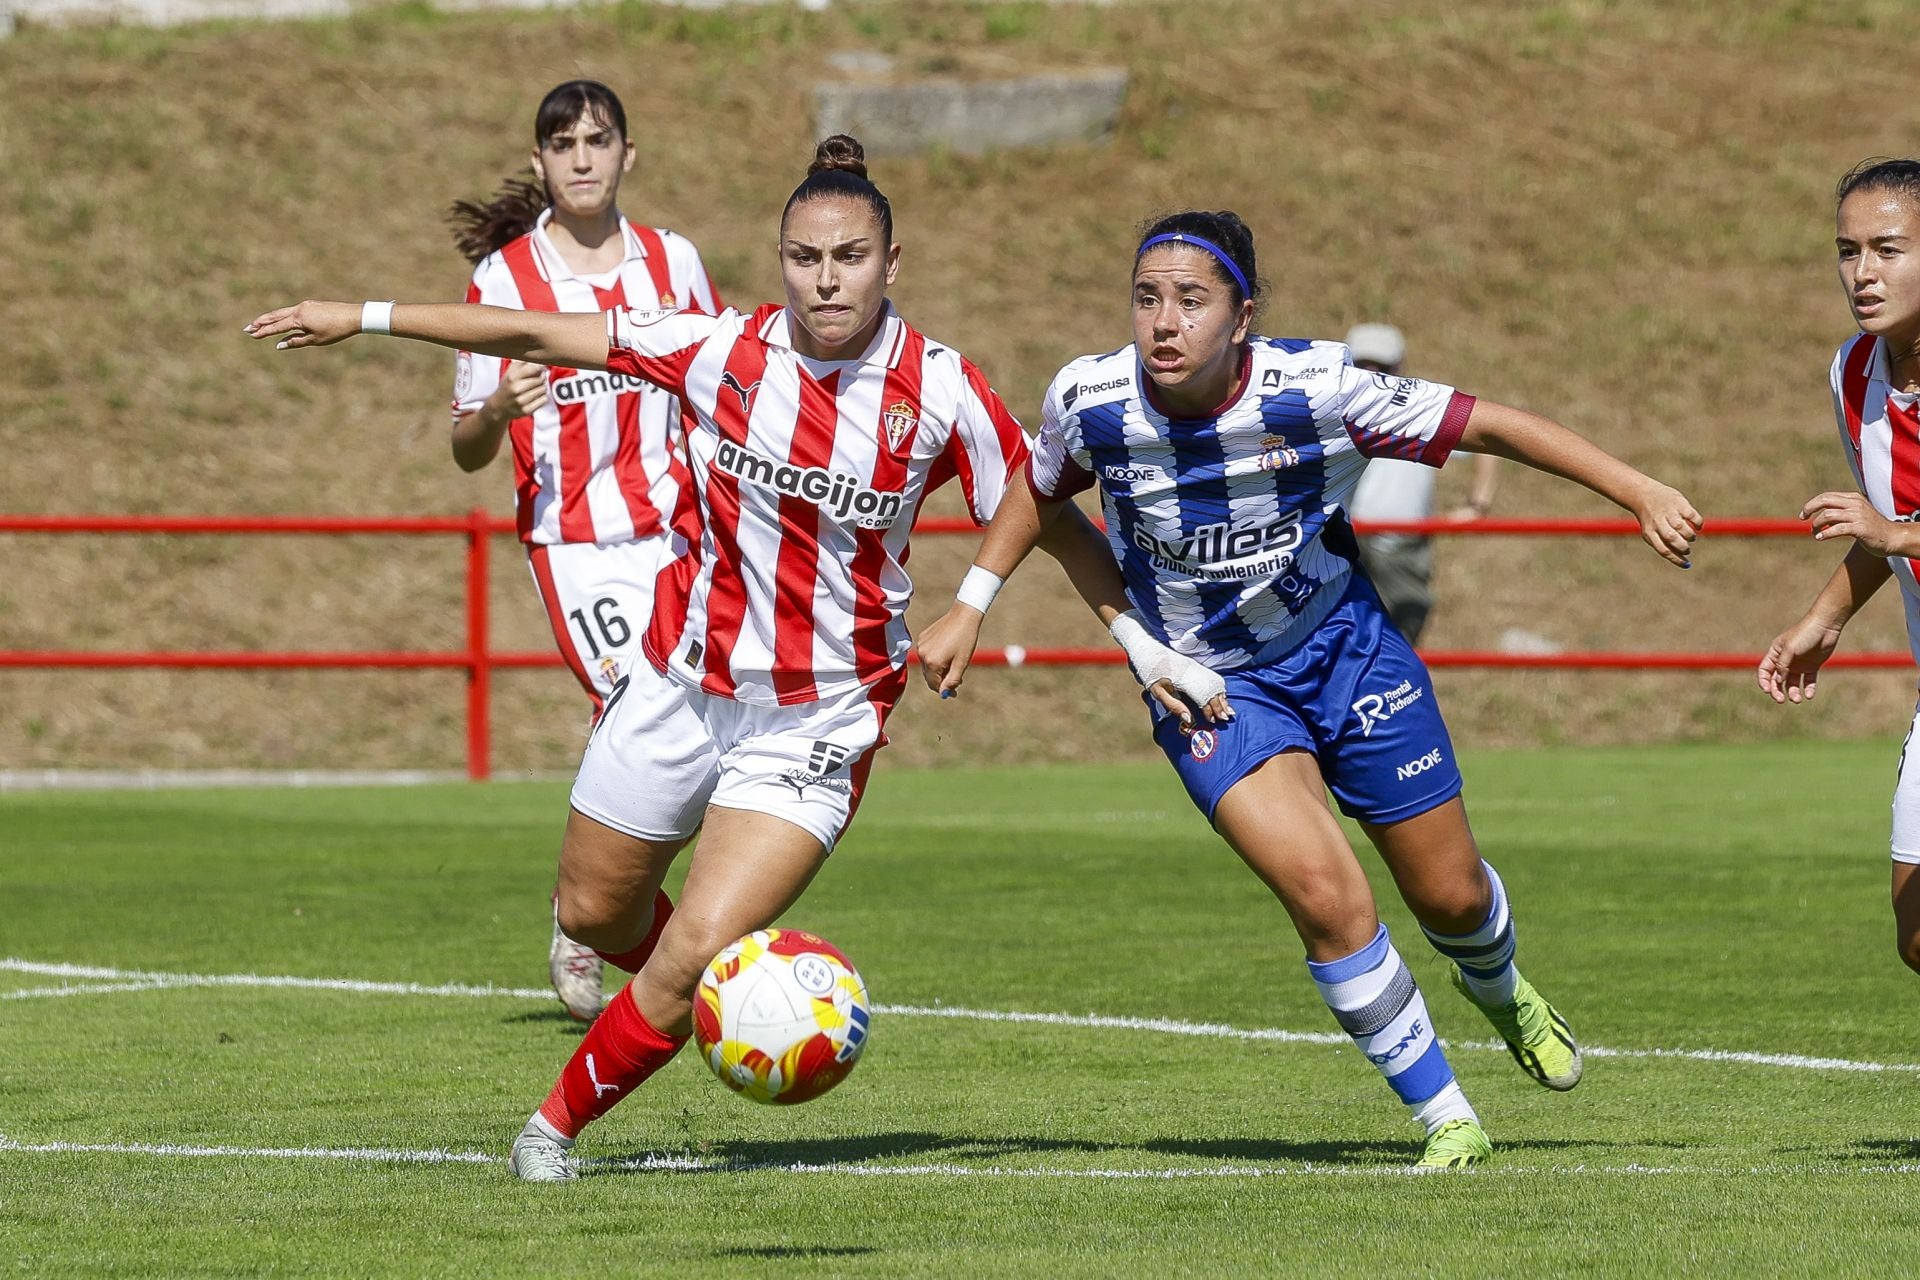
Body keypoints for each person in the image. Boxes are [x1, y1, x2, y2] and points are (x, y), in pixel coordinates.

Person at [246, 136, 1200, 1182]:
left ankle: (549, 1133)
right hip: (677, 686)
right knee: (593, 910)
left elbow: (1047, 514)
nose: (826, 277)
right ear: (780, 259)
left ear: (892, 263)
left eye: (849, 256)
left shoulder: (939, 389)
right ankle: (701, 1004)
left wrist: (1124, 638)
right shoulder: (714, 347)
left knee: (695, 942)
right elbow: (529, 327)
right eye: (804, 257)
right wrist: (364, 315)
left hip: (819, 718)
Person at [916, 210, 1702, 1168]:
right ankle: (1448, 1117)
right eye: (1147, 298)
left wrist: (1640, 490)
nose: (1164, 322)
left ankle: (1500, 988)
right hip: (1209, 686)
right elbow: (1041, 491)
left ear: (1241, 316)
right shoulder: (1092, 400)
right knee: (1325, 894)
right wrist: (971, 602)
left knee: (1449, 897)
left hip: (1344, 653)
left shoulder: (1320, 390)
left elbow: (1488, 425)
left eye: (1192, 301)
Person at [446, 81, 724, 1025]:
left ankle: (614, 898)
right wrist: (494, 408)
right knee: (630, 698)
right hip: (575, 542)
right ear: (540, 163)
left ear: (627, 154)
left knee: (700, 730)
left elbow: (717, 389)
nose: (580, 158)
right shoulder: (503, 282)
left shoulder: (674, 262)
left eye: (597, 140)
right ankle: (588, 915)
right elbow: (466, 446)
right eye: (562, 143)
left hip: (678, 532)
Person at [1759, 156, 1920, 981]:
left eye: (1888, 249)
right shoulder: (1854, 372)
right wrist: (1823, 619)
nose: (1863, 273)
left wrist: (1897, 535)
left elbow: (1895, 530)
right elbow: (1882, 527)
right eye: (1848, 251)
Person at [1345, 323, 1502, 643]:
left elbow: (1489, 440)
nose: (1373, 375)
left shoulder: (1418, 409)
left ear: (1399, 365)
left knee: (1404, 628)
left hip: (1402, 545)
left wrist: (1478, 505)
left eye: (1382, 367)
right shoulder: (1332, 407)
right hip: (1347, 542)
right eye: (1363, 366)